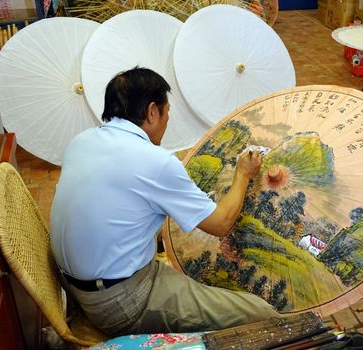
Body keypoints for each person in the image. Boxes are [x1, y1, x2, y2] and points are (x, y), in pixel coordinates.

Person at [50, 67, 281, 337]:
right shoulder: (155, 162)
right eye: (167, 111)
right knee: (261, 314)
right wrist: (242, 174)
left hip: (75, 288)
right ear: (151, 112)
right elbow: (220, 223)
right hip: (120, 302)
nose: (167, 119)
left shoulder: (81, 141)